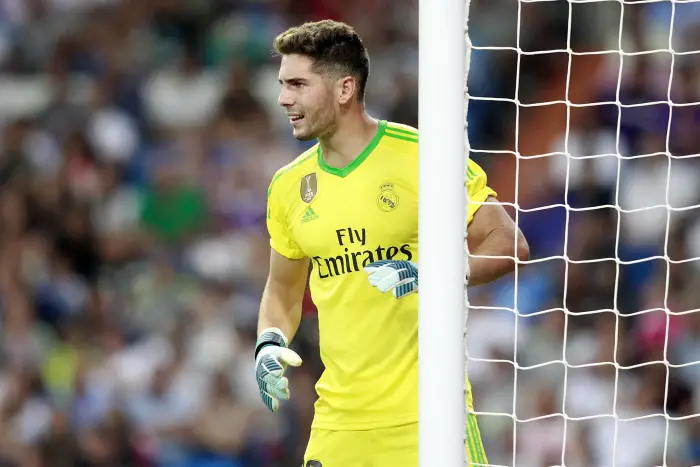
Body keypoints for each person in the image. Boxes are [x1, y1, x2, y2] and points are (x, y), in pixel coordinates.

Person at [255, 19, 530, 467]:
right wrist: (268, 341)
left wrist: (435, 274)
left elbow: (508, 244)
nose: (284, 98)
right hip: (339, 424)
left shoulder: (426, 157)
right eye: (283, 84)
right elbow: (283, 288)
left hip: (429, 418)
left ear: (344, 89)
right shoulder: (288, 186)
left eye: (298, 84)